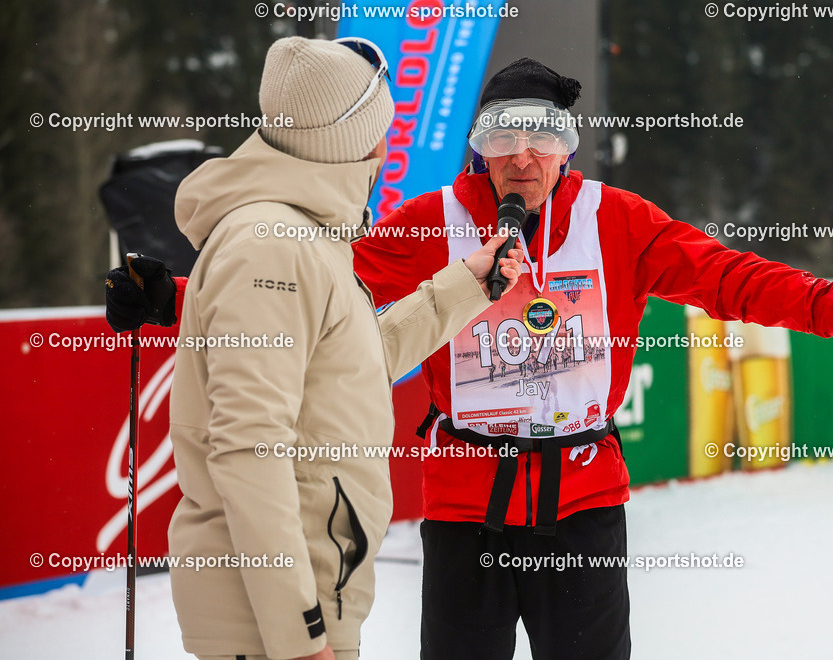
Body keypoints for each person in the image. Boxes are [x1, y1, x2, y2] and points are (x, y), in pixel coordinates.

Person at [107, 57, 833, 659]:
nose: (522, 155)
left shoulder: (618, 219)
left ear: (568, 151)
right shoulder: (433, 221)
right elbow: (307, 304)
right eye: (502, 135)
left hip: (583, 504)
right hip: (467, 507)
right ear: (477, 150)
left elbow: (723, 276)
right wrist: (171, 299)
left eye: (543, 136)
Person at [107, 36, 522, 660]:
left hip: (305, 605)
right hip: (274, 630)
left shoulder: (303, 235)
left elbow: (357, 366)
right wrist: (299, 637)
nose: (387, 146)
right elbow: (249, 448)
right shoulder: (273, 245)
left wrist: (469, 283)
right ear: (347, 139)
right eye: (379, 127)